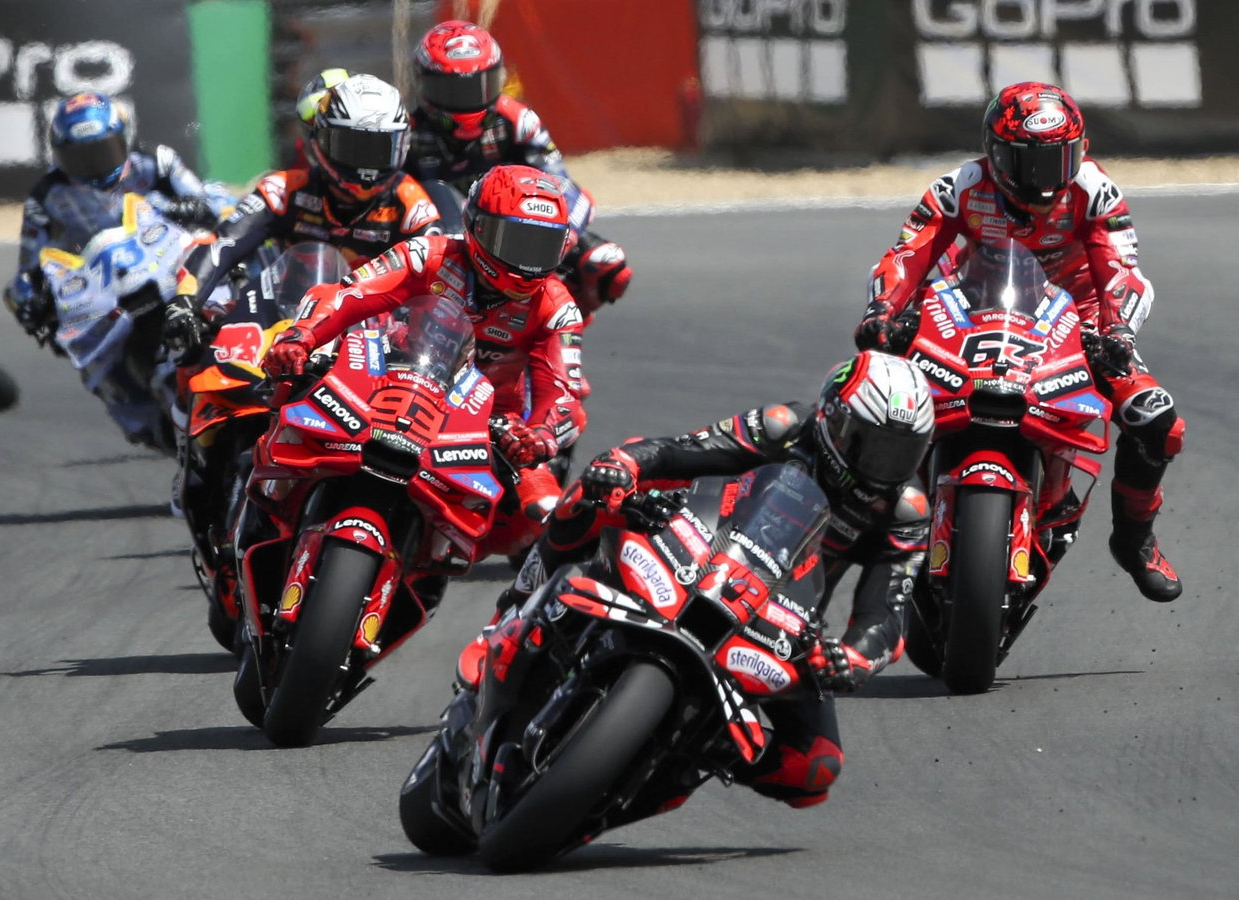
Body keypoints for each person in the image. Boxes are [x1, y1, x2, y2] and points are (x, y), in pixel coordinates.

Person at [472, 351, 934, 808]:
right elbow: (682, 451)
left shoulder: (905, 512)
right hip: (692, 549)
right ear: (833, 419)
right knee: (588, 497)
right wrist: (624, 465)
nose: (885, 467)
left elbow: (886, 613)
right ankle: (511, 614)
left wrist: (852, 659)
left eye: (904, 453)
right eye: (875, 445)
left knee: (816, 767)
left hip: (776, 622)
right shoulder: (783, 427)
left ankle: (689, 754)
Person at [855, 81, 1183, 602]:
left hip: (1080, 318)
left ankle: (1134, 538)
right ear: (995, 153)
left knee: (1156, 419)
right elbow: (907, 256)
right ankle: (858, 505)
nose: (1043, 178)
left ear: (1081, 151)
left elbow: (1122, 270)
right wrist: (884, 311)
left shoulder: (1096, 192)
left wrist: (1118, 331)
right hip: (972, 304)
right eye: (1029, 162)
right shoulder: (959, 186)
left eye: (1058, 160)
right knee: (869, 381)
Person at [258, 163, 588, 560]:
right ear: (477, 226)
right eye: (515, 241)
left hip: (485, 425)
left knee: (544, 514)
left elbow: (565, 392)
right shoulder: (426, 255)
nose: (527, 261)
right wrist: (301, 337)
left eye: (541, 247)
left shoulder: (557, 308)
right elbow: (348, 294)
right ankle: (264, 511)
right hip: (390, 382)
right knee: (286, 398)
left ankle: (466, 581)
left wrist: (541, 435)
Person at [162, 73, 443, 346]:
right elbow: (221, 243)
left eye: (380, 150)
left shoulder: (413, 206)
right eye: (354, 148)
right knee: (193, 347)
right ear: (322, 139)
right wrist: (185, 302)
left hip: (368, 337)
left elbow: (438, 278)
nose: (366, 167)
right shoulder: (283, 189)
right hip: (281, 321)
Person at [406, 19, 631, 318]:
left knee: (607, 266)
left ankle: (555, 330)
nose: (467, 102)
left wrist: (561, 241)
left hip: (513, 236)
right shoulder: (408, 134)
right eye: (451, 90)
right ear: (423, 85)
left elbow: (562, 186)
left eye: (478, 87)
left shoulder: (517, 121)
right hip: (443, 242)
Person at [5, 91, 226, 338]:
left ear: (124, 139)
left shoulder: (155, 162)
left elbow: (217, 204)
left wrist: (193, 208)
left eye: (103, 151)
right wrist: (29, 300)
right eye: (80, 158)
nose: (94, 167)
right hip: (100, 292)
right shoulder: (44, 197)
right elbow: (25, 273)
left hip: (169, 263)